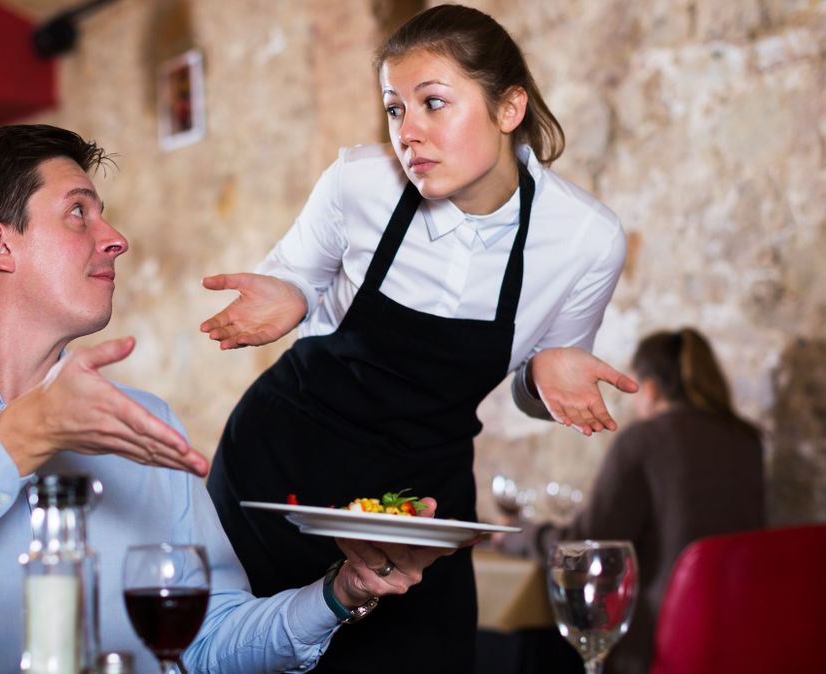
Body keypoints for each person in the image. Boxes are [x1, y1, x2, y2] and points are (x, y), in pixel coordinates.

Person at [0, 124, 456, 674]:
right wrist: (26, 435)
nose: (115, 238)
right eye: (79, 212)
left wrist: (338, 595)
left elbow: (208, 639)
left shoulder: (147, 425)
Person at [200, 5, 638, 671]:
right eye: (395, 108)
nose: (410, 132)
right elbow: (289, 276)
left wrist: (544, 381)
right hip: (283, 470)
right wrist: (287, 293)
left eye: (433, 103)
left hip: (418, 504)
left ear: (509, 106)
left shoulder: (584, 240)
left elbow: (534, 386)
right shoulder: (357, 183)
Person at [495, 328, 766, 674]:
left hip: (659, 642)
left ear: (648, 389)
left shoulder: (646, 439)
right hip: (738, 637)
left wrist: (516, 534)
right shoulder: (746, 442)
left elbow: (584, 548)